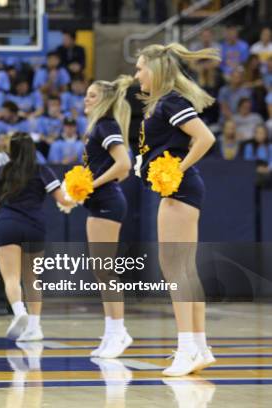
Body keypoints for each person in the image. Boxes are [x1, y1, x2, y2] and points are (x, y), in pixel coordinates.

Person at [134, 43, 217, 376]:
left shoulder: (170, 102)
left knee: (175, 270)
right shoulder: (161, 105)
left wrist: (178, 169)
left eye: (140, 68)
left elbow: (205, 138)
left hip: (179, 189)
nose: (137, 74)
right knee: (185, 269)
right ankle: (199, 346)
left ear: (156, 70)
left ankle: (187, 348)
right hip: (180, 190)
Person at [0, 132, 74, 342]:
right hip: (35, 226)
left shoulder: (0, 168)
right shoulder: (43, 171)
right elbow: (63, 200)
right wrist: (80, 194)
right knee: (32, 278)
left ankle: (19, 311)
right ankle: (34, 327)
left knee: (11, 278)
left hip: (7, 225)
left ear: (11, 150)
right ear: (32, 149)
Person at [79, 75, 133, 358]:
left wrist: (93, 184)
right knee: (102, 271)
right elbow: (122, 171)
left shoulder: (106, 125)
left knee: (106, 271)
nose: (85, 99)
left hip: (107, 203)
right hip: (101, 202)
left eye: (91, 95)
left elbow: (125, 164)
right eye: (86, 94)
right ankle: (113, 330)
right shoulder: (98, 128)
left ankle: (119, 331)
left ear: (105, 100)